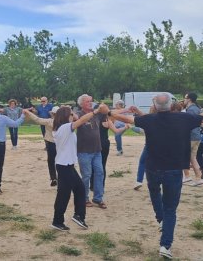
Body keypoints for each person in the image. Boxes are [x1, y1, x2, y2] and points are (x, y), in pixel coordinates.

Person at [108, 93, 203, 259]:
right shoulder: (184, 118)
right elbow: (200, 119)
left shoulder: (149, 120)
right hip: (174, 169)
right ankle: (165, 245)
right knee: (170, 209)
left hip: (153, 168)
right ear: (171, 104)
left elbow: (127, 120)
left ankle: (160, 220)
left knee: (154, 194)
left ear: (155, 106)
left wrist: (108, 113)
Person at [50, 104, 109, 231]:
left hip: (67, 166)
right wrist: (96, 111)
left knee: (80, 189)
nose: (74, 115)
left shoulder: (62, 128)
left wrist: (72, 113)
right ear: (66, 117)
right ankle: (57, 221)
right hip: (64, 167)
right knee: (63, 195)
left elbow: (79, 119)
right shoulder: (65, 128)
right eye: (71, 114)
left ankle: (78, 215)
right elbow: (82, 120)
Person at [76, 94, 107, 209]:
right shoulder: (79, 114)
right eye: (88, 101)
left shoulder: (97, 114)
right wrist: (95, 111)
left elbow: (108, 111)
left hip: (97, 150)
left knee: (100, 173)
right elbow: (78, 120)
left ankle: (98, 198)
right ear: (82, 104)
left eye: (91, 101)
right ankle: (84, 198)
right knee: (86, 175)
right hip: (84, 151)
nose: (90, 103)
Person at [24, 106, 59, 186]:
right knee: (60, 161)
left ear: (52, 114)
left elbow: (37, 120)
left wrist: (29, 112)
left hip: (50, 143)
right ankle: (60, 177)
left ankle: (53, 177)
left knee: (51, 161)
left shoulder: (49, 121)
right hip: (61, 144)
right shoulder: (64, 122)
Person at [182, 93, 203, 185]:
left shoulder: (190, 110)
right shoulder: (197, 108)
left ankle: (187, 176)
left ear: (189, 99)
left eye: (185, 98)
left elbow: (188, 124)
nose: (184, 100)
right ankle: (198, 177)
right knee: (192, 158)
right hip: (197, 136)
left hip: (191, 136)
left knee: (183, 156)